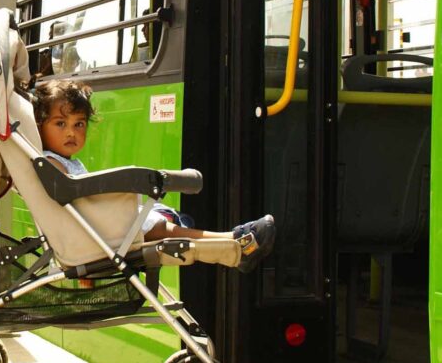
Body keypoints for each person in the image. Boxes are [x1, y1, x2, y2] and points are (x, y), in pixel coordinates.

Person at [33, 79, 275, 272]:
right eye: (60, 124)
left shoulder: (62, 161)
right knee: (166, 230)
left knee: (165, 227)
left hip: (105, 228)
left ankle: (233, 241)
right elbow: (69, 190)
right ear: (39, 125)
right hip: (105, 232)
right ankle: (234, 241)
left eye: (79, 124)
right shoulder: (51, 164)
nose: (71, 133)